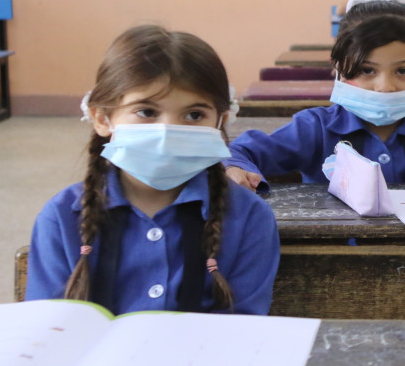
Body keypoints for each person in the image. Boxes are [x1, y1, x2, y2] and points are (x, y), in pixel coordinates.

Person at [26, 25, 280, 315]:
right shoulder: (62, 218)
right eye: (147, 112)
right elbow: (50, 328)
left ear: (220, 122)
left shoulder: (248, 217)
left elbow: (243, 329)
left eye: (194, 115)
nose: (167, 131)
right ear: (102, 118)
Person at [226, 0, 405, 191]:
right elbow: (239, 152)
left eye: (403, 71)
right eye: (366, 70)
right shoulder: (315, 128)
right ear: (339, 67)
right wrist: (236, 169)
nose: (385, 87)